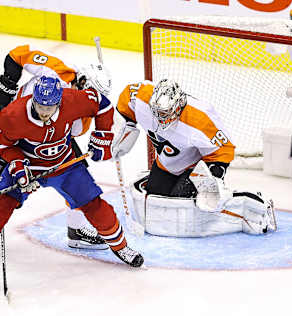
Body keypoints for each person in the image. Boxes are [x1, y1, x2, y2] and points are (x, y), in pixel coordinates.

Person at [0, 76, 144, 282]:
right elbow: (1, 144)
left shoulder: (71, 100)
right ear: (33, 99)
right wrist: (19, 166)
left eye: (50, 107)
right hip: (29, 167)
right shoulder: (12, 115)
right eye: (40, 106)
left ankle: (122, 247)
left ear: (59, 101)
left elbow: (101, 104)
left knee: (96, 206)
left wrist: (103, 136)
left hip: (64, 165)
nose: (45, 112)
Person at [0, 45, 112, 250]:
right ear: (81, 82)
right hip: (13, 132)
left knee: (77, 175)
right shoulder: (57, 70)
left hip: (50, 138)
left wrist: (101, 134)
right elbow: (19, 53)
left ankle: (77, 229)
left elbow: (74, 131)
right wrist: (8, 81)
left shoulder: (83, 110)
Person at [112, 79, 277, 237]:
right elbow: (127, 97)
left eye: (166, 113)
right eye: (158, 112)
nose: (161, 118)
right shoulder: (142, 98)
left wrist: (213, 177)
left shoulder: (200, 118)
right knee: (156, 199)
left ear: (178, 106)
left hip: (196, 167)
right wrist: (124, 126)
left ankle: (247, 201)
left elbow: (225, 147)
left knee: (190, 203)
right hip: (168, 163)